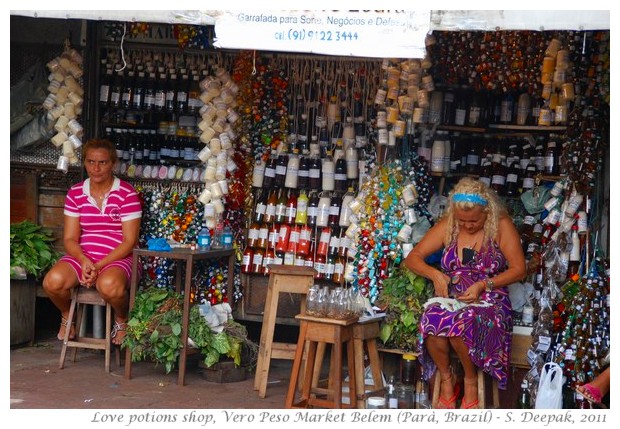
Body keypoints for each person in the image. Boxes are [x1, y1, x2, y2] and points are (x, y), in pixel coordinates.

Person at [403, 177, 526, 409]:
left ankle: (470, 382)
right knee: (432, 318)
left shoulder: (501, 225)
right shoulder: (449, 225)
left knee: (463, 321)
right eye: (462, 220)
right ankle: (448, 380)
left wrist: (484, 285)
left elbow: (519, 270)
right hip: (454, 297)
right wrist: (436, 275)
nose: (467, 225)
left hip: (490, 300)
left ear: (487, 211)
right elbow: (413, 258)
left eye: (474, 220)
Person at [43, 138, 142, 346]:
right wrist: (84, 260)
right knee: (52, 282)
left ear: (113, 163)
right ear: (85, 163)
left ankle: (122, 319)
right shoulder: (76, 193)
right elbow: (69, 238)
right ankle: (67, 315)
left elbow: (129, 241)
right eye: (90, 162)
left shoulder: (127, 194)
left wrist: (98, 266)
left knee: (110, 286)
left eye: (103, 163)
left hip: (118, 257)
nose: (96, 168)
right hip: (83, 257)